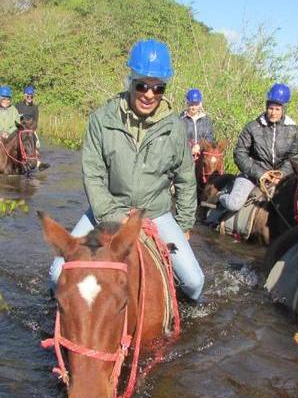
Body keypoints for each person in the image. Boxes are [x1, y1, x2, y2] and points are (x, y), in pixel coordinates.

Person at [49, 39, 204, 301]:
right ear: (130, 81)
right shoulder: (101, 120)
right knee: (57, 274)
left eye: (158, 88)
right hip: (109, 209)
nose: (149, 94)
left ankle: (177, 315)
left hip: (155, 214)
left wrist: (185, 224)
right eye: (142, 85)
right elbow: (93, 175)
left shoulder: (175, 128)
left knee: (194, 281)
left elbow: (186, 179)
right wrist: (113, 215)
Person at [218, 83, 298, 212]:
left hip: (279, 178)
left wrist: (280, 174)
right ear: (266, 107)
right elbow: (240, 153)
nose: (273, 113)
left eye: (277, 109)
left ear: (283, 109)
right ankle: (221, 196)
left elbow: (293, 158)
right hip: (252, 175)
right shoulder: (252, 127)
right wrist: (261, 173)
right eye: (271, 108)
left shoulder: (293, 130)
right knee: (233, 204)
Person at [179, 88, 215, 160]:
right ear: (187, 103)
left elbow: (210, 138)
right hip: (185, 157)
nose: (194, 107)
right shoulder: (181, 120)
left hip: (203, 157)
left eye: (196, 104)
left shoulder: (206, 120)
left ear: (200, 104)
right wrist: (190, 149)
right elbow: (178, 140)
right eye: (191, 104)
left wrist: (199, 146)